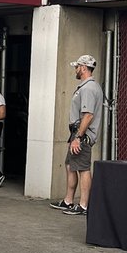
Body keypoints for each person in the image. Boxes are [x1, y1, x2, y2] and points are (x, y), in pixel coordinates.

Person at [51, 54, 104, 218]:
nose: (76, 69)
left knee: (82, 168)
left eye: (77, 67)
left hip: (82, 134)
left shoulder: (88, 88)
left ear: (83, 68)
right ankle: (68, 200)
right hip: (77, 132)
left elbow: (88, 115)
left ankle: (84, 204)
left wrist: (78, 138)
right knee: (70, 165)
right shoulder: (87, 87)